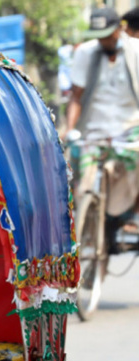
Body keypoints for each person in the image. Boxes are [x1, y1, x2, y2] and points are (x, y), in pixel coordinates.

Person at [66, 7, 139, 231]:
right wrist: (70, 128)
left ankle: (132, 214)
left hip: (130, 128)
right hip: (94, 129)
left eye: (107, 35)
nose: (103, 40)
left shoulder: (136, 50)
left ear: (119, 30)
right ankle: (86, 216)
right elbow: (76, 96)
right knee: (77, 176)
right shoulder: (85, 53)